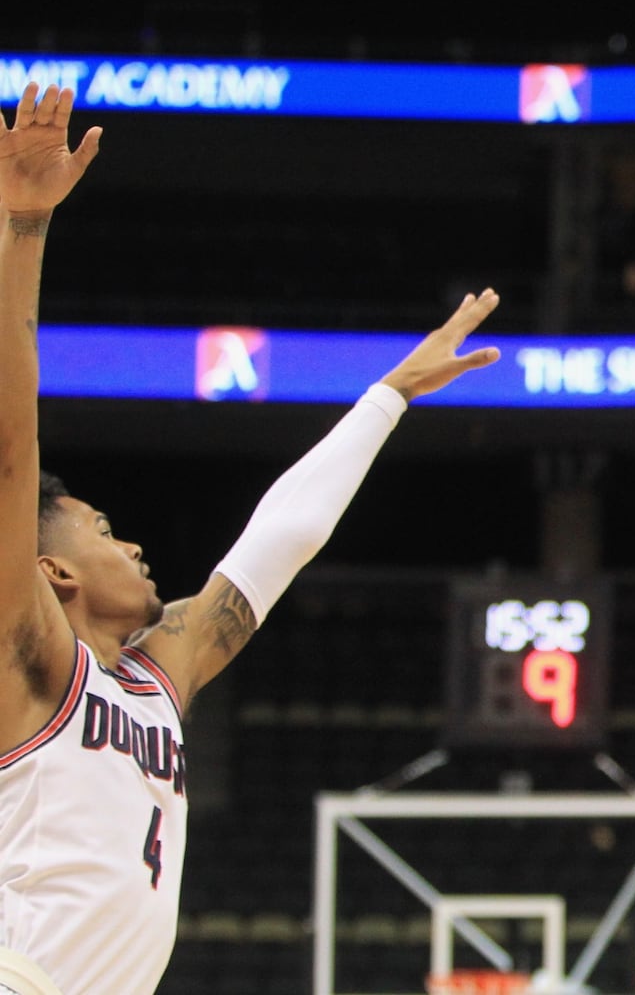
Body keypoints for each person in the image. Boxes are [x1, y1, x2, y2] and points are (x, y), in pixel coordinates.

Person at [0, 82, 502, 995]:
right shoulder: (31, 658)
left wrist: (385, 398)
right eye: (104, 531)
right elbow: (9, 444)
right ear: (52, 569)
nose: (135, 547)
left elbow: (276, 545)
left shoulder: (157, 676)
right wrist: (26, 229)